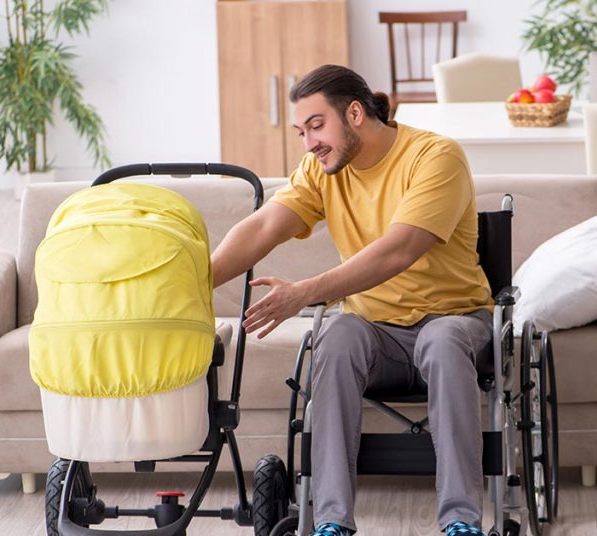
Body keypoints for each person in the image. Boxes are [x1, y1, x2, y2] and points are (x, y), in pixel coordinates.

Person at [210, 64, 494, 536]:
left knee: (442, 341)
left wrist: (303, 293)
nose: (309, 143)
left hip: (455, 321)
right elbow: (263, 226)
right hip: (374, 333)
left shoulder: (434, 156)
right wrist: (192, 281)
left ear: (356, 113)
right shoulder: (320, 170)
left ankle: (462, 521)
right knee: (338, 335)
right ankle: (330, 522)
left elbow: (401, 248)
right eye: (302, 132)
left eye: (317, 126)